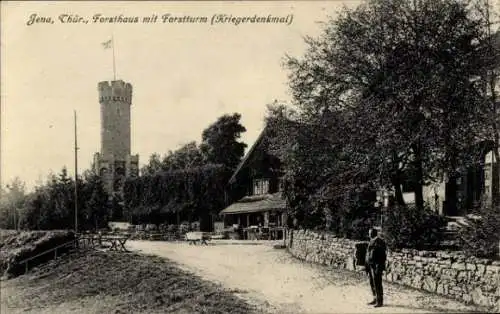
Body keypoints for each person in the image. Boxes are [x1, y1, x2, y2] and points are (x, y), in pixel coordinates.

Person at [365, 228, 387, 307]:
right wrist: (367, 266)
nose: (369, 234)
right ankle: (375, 298)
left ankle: (379, 301)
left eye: (370, 233)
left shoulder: (379, 242)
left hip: (376, 266)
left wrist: (379, 267)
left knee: (377, 283)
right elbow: (368, 254)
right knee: (372, 283)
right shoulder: (371, 241)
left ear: (374, 233)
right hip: (370, 266)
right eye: (369, 233)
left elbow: (382, 256)